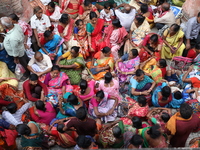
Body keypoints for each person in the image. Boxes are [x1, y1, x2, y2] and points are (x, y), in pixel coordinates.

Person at [0, 17, 30, 81]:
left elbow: (15, 49)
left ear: (5, 26)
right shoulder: (16, 26)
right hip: (21, 47)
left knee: (23, 62)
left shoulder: (12, 37)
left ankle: (27, 73)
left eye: (2, 25)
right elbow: (21, 35)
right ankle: (28, 66)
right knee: (25, 59)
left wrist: (15, 58)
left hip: (18, 52)